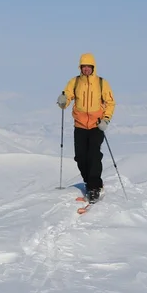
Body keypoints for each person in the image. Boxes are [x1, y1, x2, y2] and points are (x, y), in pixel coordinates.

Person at [56, 53, 115, 202]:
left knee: (94, 155)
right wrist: (63, 101)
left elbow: (110, 102)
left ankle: (94, 187)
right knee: (80, 157)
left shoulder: (101, 83)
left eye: (89, 66)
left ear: (93, 67)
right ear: (80, 68)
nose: (86, 69)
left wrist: (106, 120)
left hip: (96, 125)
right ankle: (89, 182)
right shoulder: (75, 82)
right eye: (84, 66)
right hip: (80, 125)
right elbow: (67, 96)